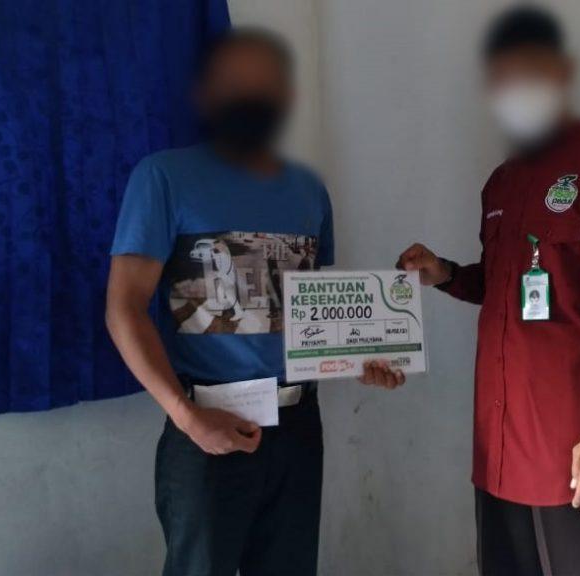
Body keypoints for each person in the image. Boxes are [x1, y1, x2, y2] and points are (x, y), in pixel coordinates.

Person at [365, 5, 580, 575]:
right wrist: (446, 274)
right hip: (500, 448)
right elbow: (509, 286)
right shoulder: (502, 183)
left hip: (577, 446)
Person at [105, 28, 398, 576]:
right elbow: (123, 308)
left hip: (299, 427)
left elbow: (313, 314)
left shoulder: (308, 190)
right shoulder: (164, 177)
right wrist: (187, 417)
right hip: (207, 422)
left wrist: (362, 355)